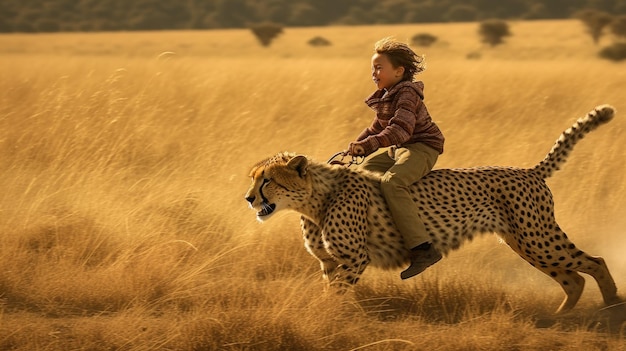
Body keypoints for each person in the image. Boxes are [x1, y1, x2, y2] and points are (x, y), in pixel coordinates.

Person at [347, 37, 445, 280]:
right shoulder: (387, 94)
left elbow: (401, 131)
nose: (374, 73)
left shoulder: (408, 94)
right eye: (372, 67)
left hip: (422, 148)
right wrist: (352, 150)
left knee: (392, 182)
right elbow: (375, 129)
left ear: (399, 71)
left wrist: (368, 145)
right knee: (361, 175)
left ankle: (422, 248)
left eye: (379, 67)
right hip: (397, 151)